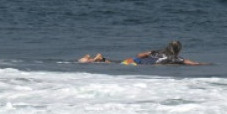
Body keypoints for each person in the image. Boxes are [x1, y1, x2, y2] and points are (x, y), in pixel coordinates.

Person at [79, 41, 207, 66]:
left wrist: (148, 53)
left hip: (133, 60)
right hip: (137, 65)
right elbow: (190, 63)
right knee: (116, 64)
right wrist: (203, 64)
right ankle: (97, 60)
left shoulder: (157, 52)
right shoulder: (174, 58)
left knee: (116, 63)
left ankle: (99, 59)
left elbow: (140, 55)